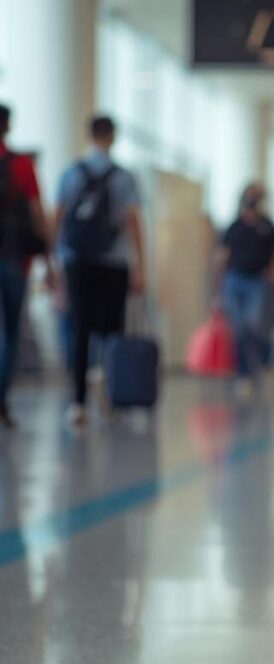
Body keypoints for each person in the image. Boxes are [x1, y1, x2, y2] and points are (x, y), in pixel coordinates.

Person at [55, 114, 145, 429]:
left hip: (77, 261)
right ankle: (108, 387)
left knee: (80, 330)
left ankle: (78, 402)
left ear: (89, 135)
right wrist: (139, 266)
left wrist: (54, 263)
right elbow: (132, 221)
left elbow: (59, 218)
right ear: (113, 137)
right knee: (112, 329)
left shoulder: (70, 173)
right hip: (113, 261)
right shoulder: (123, 177)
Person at [0, 103, 52, 429]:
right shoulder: (21, 164)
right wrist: (50, 261)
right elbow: (37, 214)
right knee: (10, 334)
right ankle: (1, 401)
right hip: (14, 259)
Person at [216, 182, 274, 397]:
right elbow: (223, 257)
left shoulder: (268, 227)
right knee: (239, 329)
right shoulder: (234, 227)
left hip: (258, 281)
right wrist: (217, 289)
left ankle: (264, 363)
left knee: (257, 325)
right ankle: (243, 374)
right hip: (235, 280)